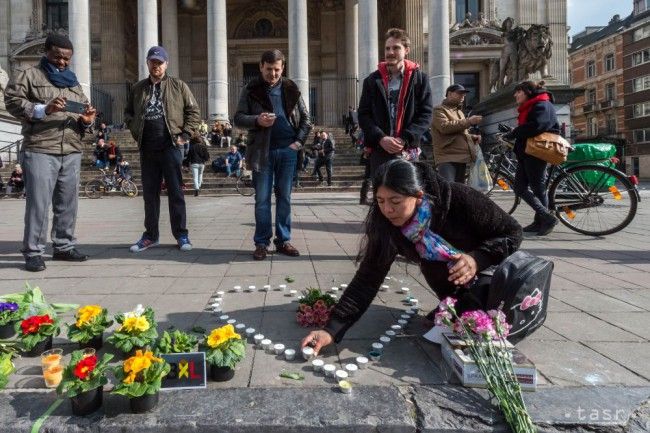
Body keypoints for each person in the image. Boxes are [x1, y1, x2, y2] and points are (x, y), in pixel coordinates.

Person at [300, 159, 522, 353]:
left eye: (395, 201)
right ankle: (455, 303)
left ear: (418, 196)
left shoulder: (459, 199)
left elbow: (512, 232)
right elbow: (369, 277)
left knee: (485, 320)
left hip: (488, 268)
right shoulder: (385, 223)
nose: (387, 210)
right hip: (447, 277)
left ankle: (467, 301)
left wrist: (476, 258)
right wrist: (332, 329)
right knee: (442, 283)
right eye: (380, 200)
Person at [4, 34, 96, 272]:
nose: (63, 63)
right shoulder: (29, 76)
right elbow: (12, 101)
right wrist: (45, 108)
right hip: (41, 147)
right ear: (46, 53)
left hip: (71, 149)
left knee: (68, 203)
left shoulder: (73, 82)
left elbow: (84, 114)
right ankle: (34, 251)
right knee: (39, 204)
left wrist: (87, 120)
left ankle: (63, 246)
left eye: (67, 59)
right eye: (58, 57)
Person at [234, 49, 312, 261]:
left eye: (277, 70)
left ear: (282, 68)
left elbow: (306, 119)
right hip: (262, 151)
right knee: (262, 199)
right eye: (269, 69)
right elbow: (238, 118)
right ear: (261, 67)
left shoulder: (291, 88)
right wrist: (257, 120)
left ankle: (283, 241)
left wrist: (298, 143)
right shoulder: (251, 89)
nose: (273, 74)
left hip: (288, 151)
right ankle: (261, 243)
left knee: (284, 198)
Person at [124, 45, 201, 253]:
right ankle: (150, 236)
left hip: (170, 146)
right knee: (150, 194)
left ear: (166, 64)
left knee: (176, 192)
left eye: (159, 62)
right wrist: (134, 129)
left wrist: (185, 135)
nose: (156, 65)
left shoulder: (178, 86)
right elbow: (128, 113)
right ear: (147, 63)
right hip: (147, 147)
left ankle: (182, 235)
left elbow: (193, 111)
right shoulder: (138, 88)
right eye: (152, 62)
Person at [358, 28, 433, 176]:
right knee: (381, 196)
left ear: (406, 50)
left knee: (406, 195)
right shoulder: (372, 81)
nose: (390, 52)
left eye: (396, 48)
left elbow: (426, 114)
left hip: (408, 149)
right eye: (387, 48)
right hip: (380, 150)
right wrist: (381, 138)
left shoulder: (420, 79)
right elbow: (363, 115)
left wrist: (404, 138)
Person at [503, 80, 560, 236]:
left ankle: (547, 218)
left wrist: (515, 132)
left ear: (527, 91)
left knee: (538, 187)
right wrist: (514, 132)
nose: (515, 95)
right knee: (519, 187)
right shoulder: (533, 105)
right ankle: (541, 219)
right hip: (527, 152)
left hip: (536, 152)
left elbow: (537, 125)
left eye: (518, 91)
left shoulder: (542, 104)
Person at [431, 84, 483, 183]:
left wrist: (472, 137)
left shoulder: (459, 112)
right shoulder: (439, 109)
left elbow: (459, 132)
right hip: (447, 156)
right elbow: (444, 127)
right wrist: (469, 121)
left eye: (464, 94)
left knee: (458, 191)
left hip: (461, 157)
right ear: (449, 94)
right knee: (449, 190)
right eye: (459, 93)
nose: (462, 96)